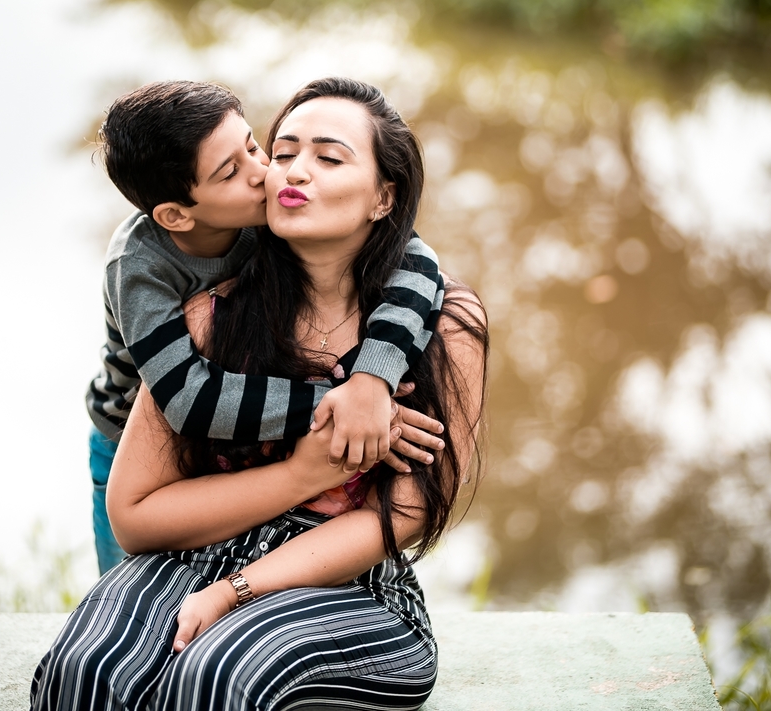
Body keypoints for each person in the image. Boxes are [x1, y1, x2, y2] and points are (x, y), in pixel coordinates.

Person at [32, 78, 488, 710]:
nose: (288, 171)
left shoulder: (442, 325)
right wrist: (312, 460)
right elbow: (136, 514)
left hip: (350, 583)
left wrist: (235, 592)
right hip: (193, 554)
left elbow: (404, 516)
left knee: (217, 674)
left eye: (329, 157)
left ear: (384, 197)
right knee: (88, 669)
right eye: (285, 151)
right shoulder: (204, 308)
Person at [82, 81, 447, 573]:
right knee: (125, 578)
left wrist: (371, 379)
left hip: (236, 431)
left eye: (256, 147)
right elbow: (191, 400)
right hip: (134, 431)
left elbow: (413, 256)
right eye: (232, 171)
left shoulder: (266, 212)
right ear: (176, 215)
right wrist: (349, 407)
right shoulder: (139, 270)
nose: (265, 174)